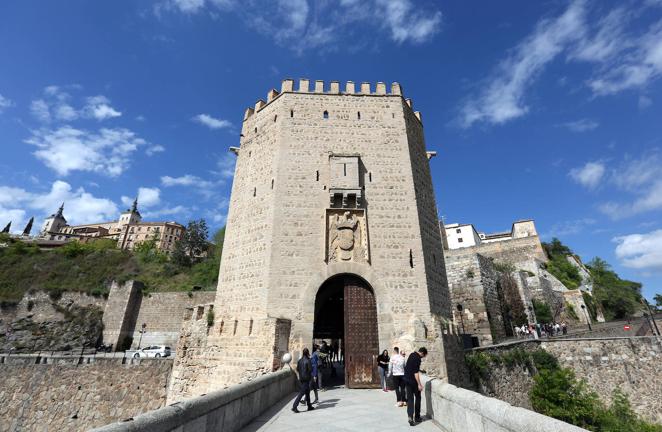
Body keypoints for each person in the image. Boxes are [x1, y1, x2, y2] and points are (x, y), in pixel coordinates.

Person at [404, 347, 427, 426]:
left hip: (407, 379)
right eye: (423, 356)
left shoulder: (412, 354)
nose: (422, 358)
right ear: (422, 353)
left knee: (410, 399)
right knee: (418, 398)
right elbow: (415, 373)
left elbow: (410, 366)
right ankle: (417, 417)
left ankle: (410, 416)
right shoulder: (418, 359)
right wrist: (419, 384)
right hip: (413, 382)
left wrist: (419, 370)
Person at [292, 348, 315, 413]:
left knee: (307, 392)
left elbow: (297, 369)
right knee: (302, 393)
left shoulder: (299, 361)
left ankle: (309, 405)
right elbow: (310, 370)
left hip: (301, 378)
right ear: (307, 353)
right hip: (306, 378)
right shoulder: (308, 360)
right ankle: (294, 406)